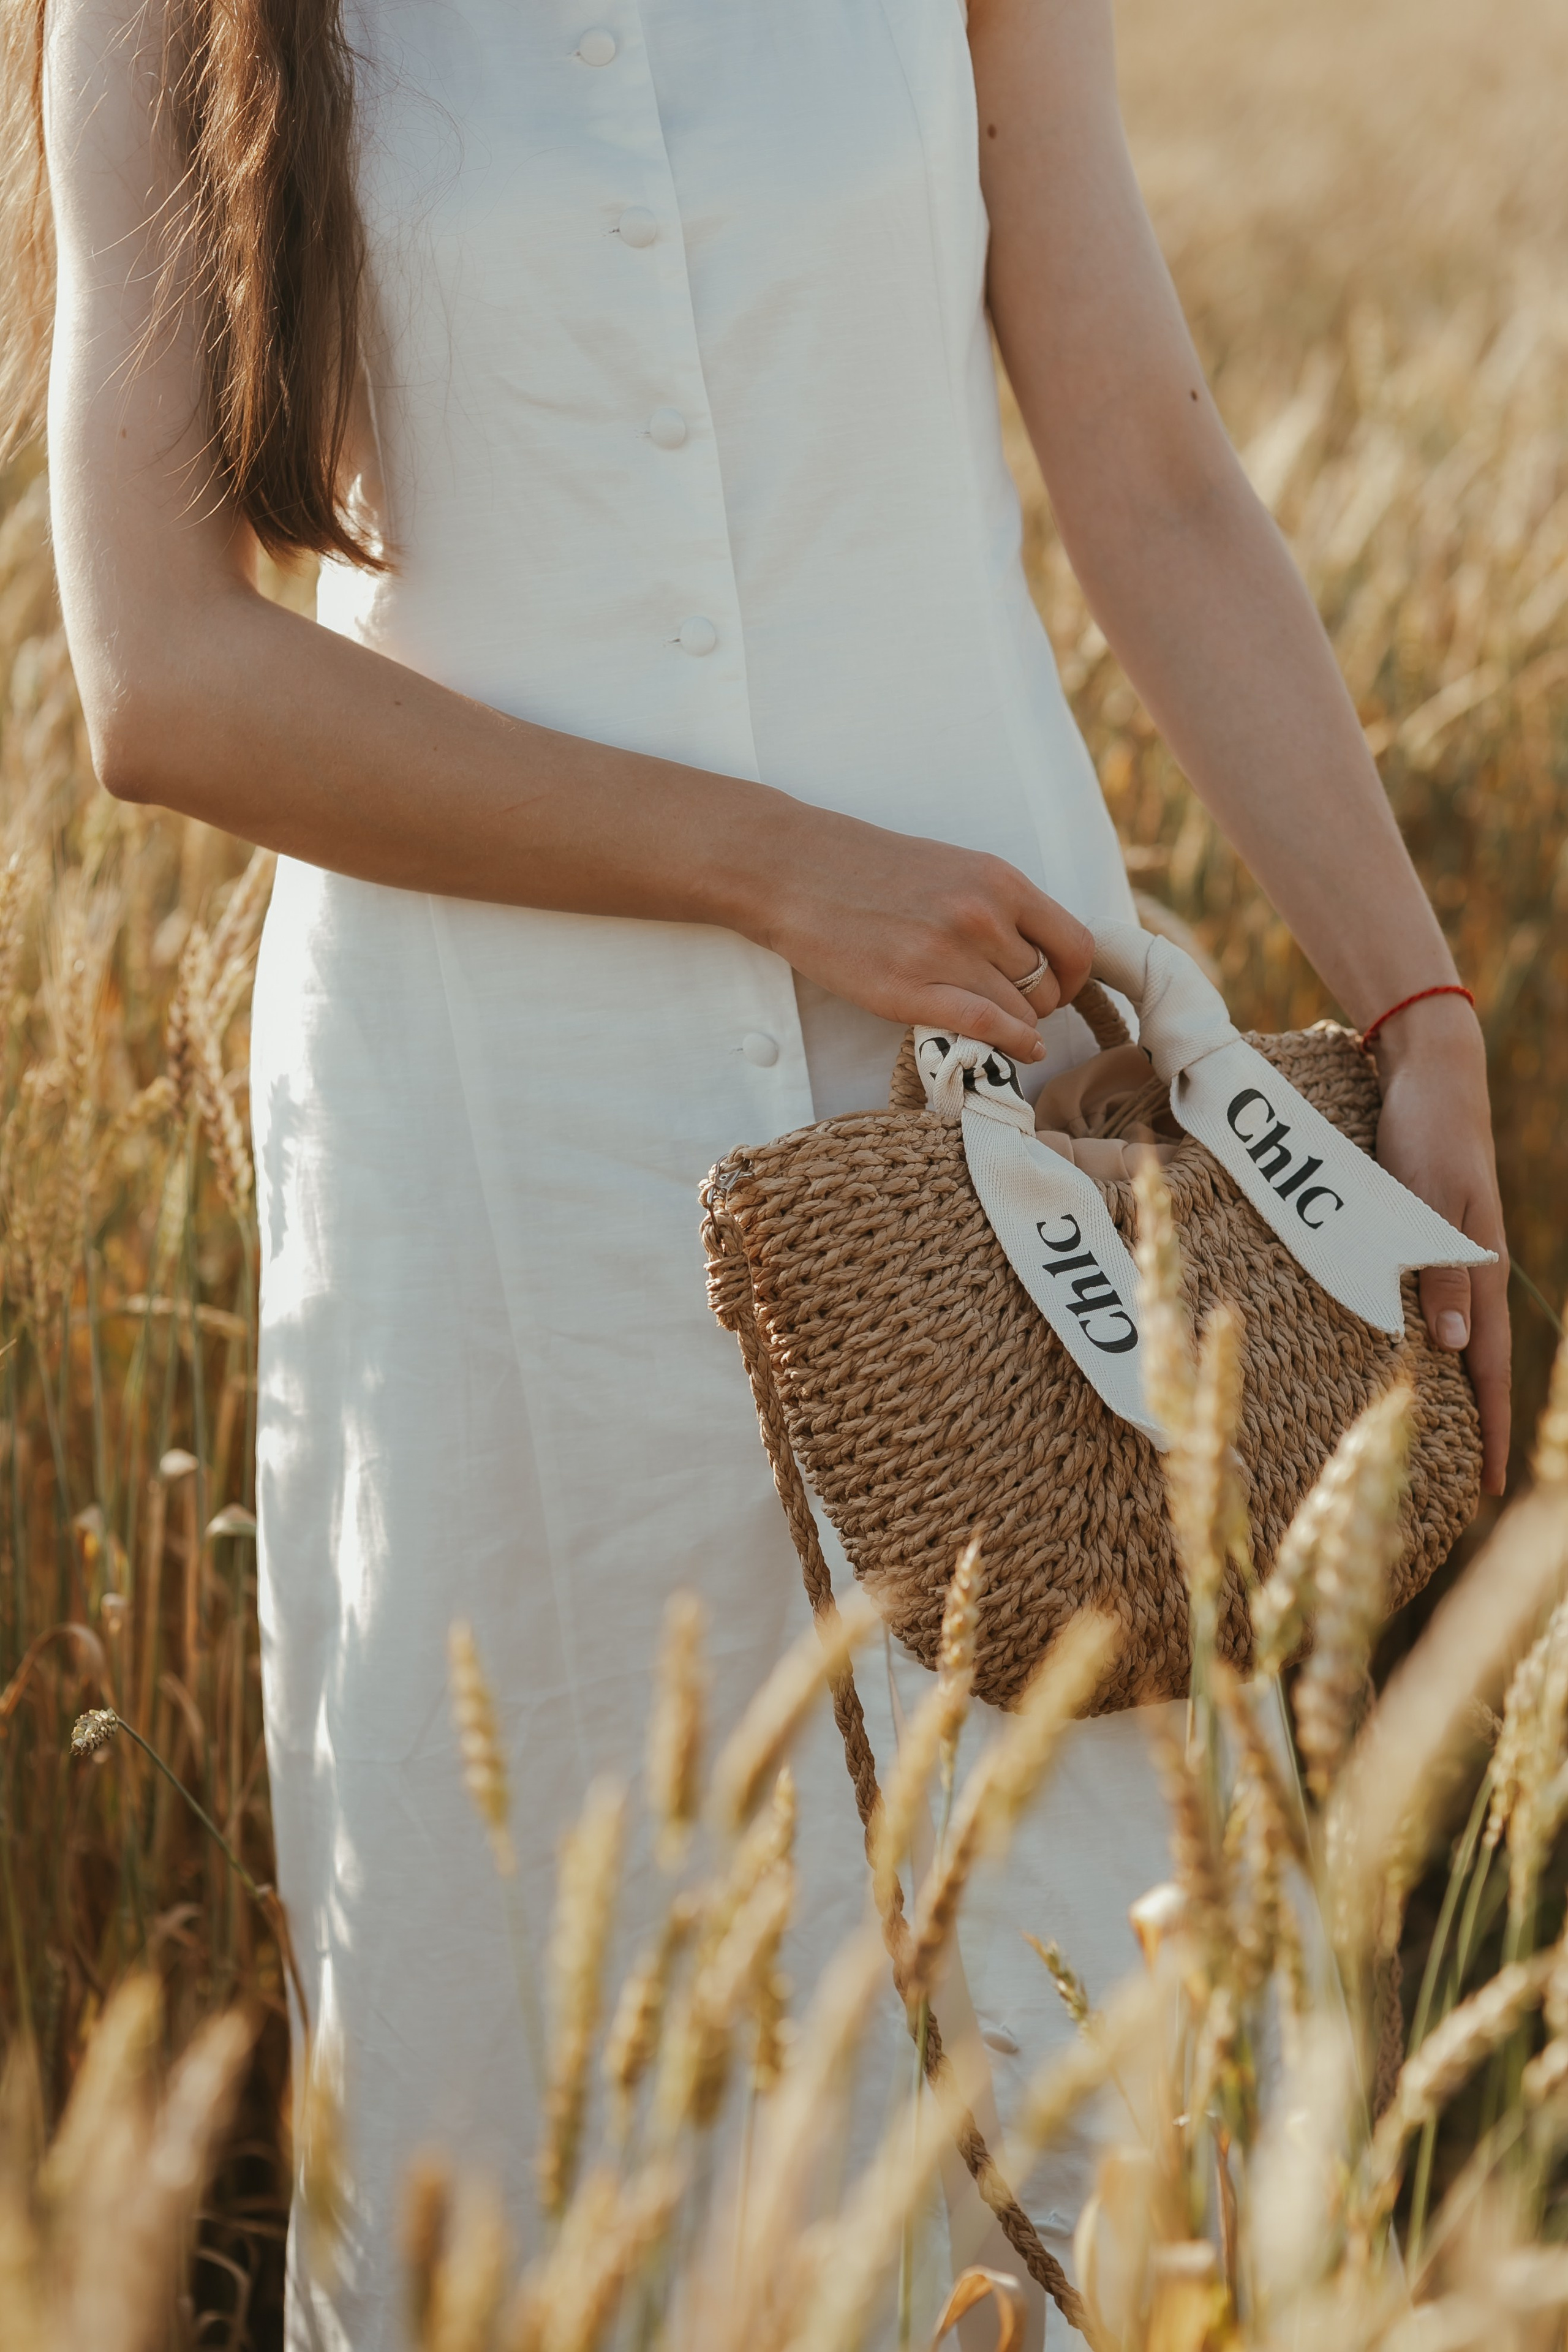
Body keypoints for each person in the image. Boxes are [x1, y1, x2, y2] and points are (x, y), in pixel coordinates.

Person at [16, 0, 1509, 2340]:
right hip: (494, 1153)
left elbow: (1149, 467)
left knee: (1079, 1982)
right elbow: (165, 676)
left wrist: (1418, 1008)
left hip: (998, 1119)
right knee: (538, 2004)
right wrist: (777, 867)